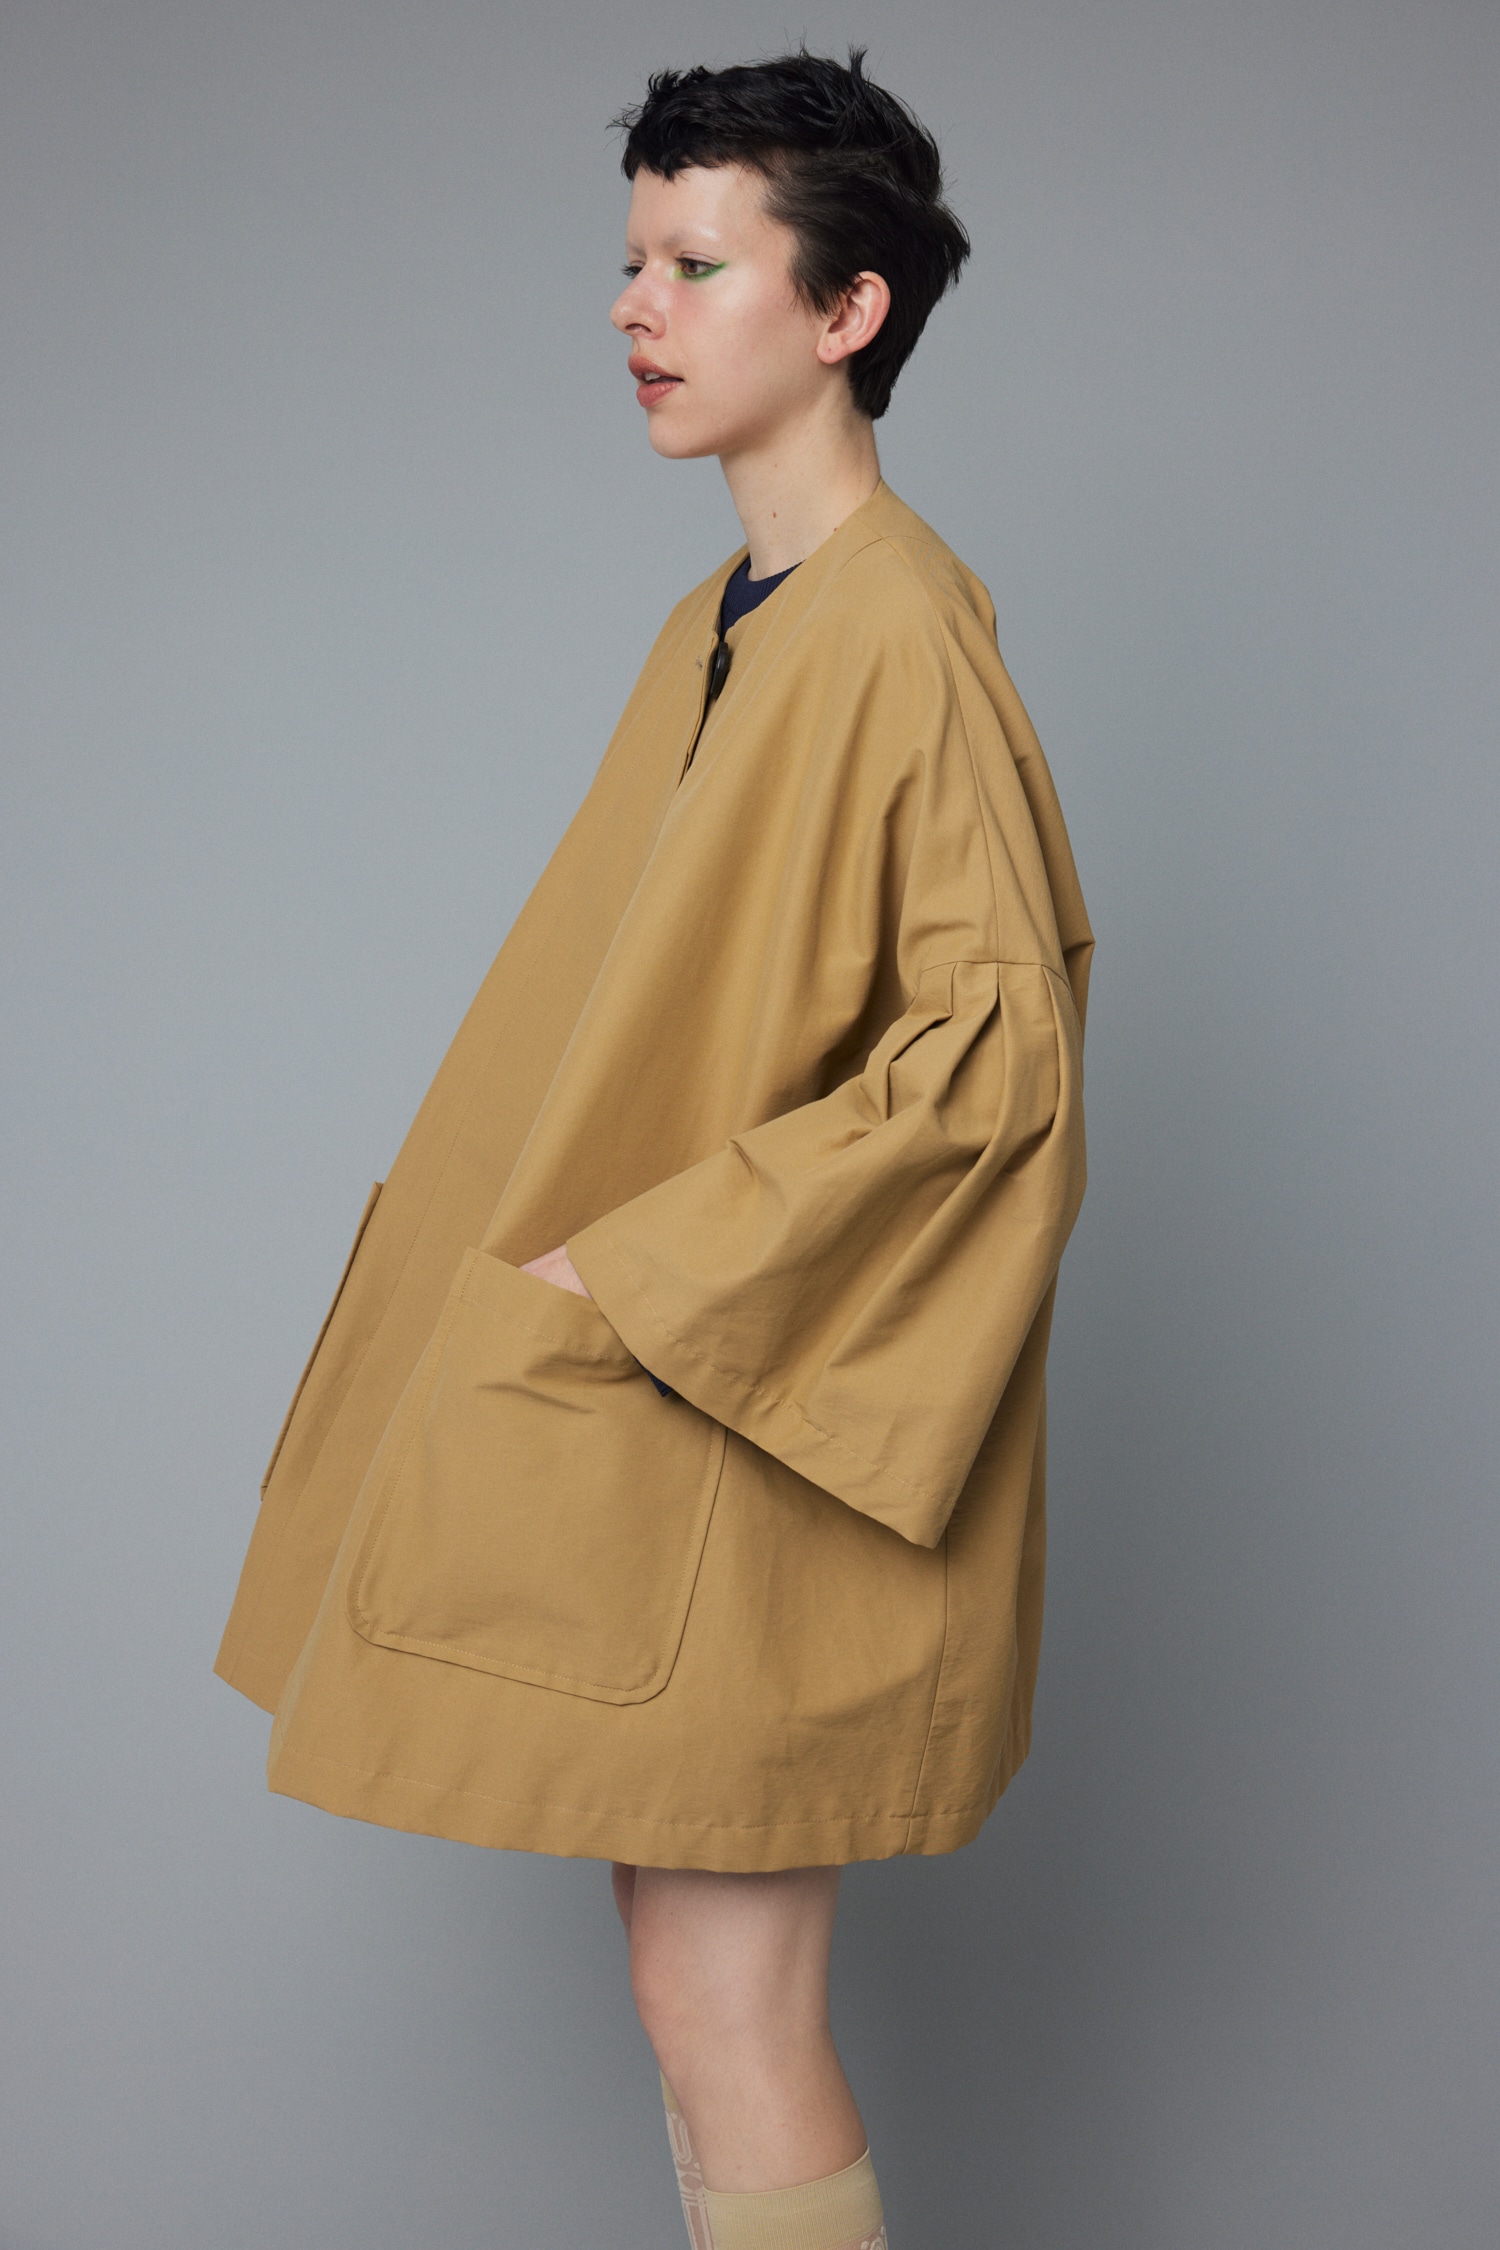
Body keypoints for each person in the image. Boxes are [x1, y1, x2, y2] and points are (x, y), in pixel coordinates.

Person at [215, 48, 1092, 2250]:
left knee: (724, 1997)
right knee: (690, 1985)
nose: (636, 305)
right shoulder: (720, 621)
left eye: (699, 264)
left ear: (847, 310)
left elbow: (991, 1068)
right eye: (632, 260)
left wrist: (636, 1269)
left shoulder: (898, 627)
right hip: (683, 1417)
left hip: (763, 1420)